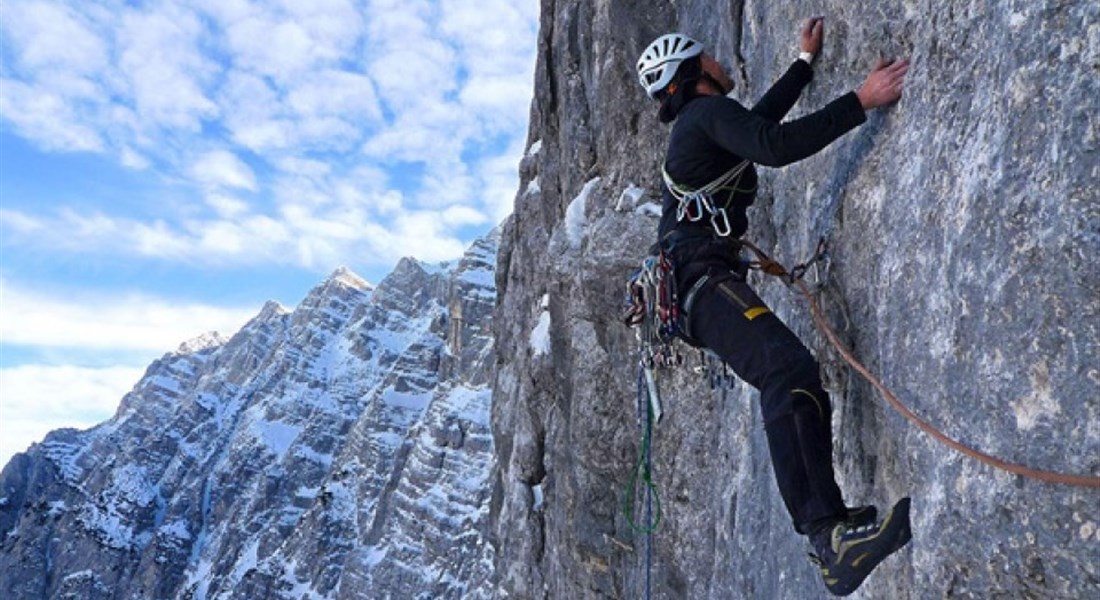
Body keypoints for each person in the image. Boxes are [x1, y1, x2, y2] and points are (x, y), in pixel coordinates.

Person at [636, 18, 912, 597]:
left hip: (698, 284)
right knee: (786, 374)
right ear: (695, 74)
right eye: (708, 58)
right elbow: (775, 146)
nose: (719, 61)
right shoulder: (704, 116)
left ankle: (831, 527)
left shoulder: (702, 124)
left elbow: (757, 126)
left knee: (790, 374)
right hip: (702, 279)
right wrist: (860, 99)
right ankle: (828, 538)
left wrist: (804, 65)